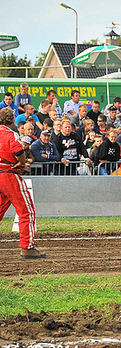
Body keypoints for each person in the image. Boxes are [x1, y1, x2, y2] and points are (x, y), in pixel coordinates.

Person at [0, 108, 45, 259]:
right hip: (10, 175)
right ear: (12, 120)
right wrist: (22, 163)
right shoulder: (11, 134)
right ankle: (27, 247)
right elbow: (18, 151)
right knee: (26, 211)